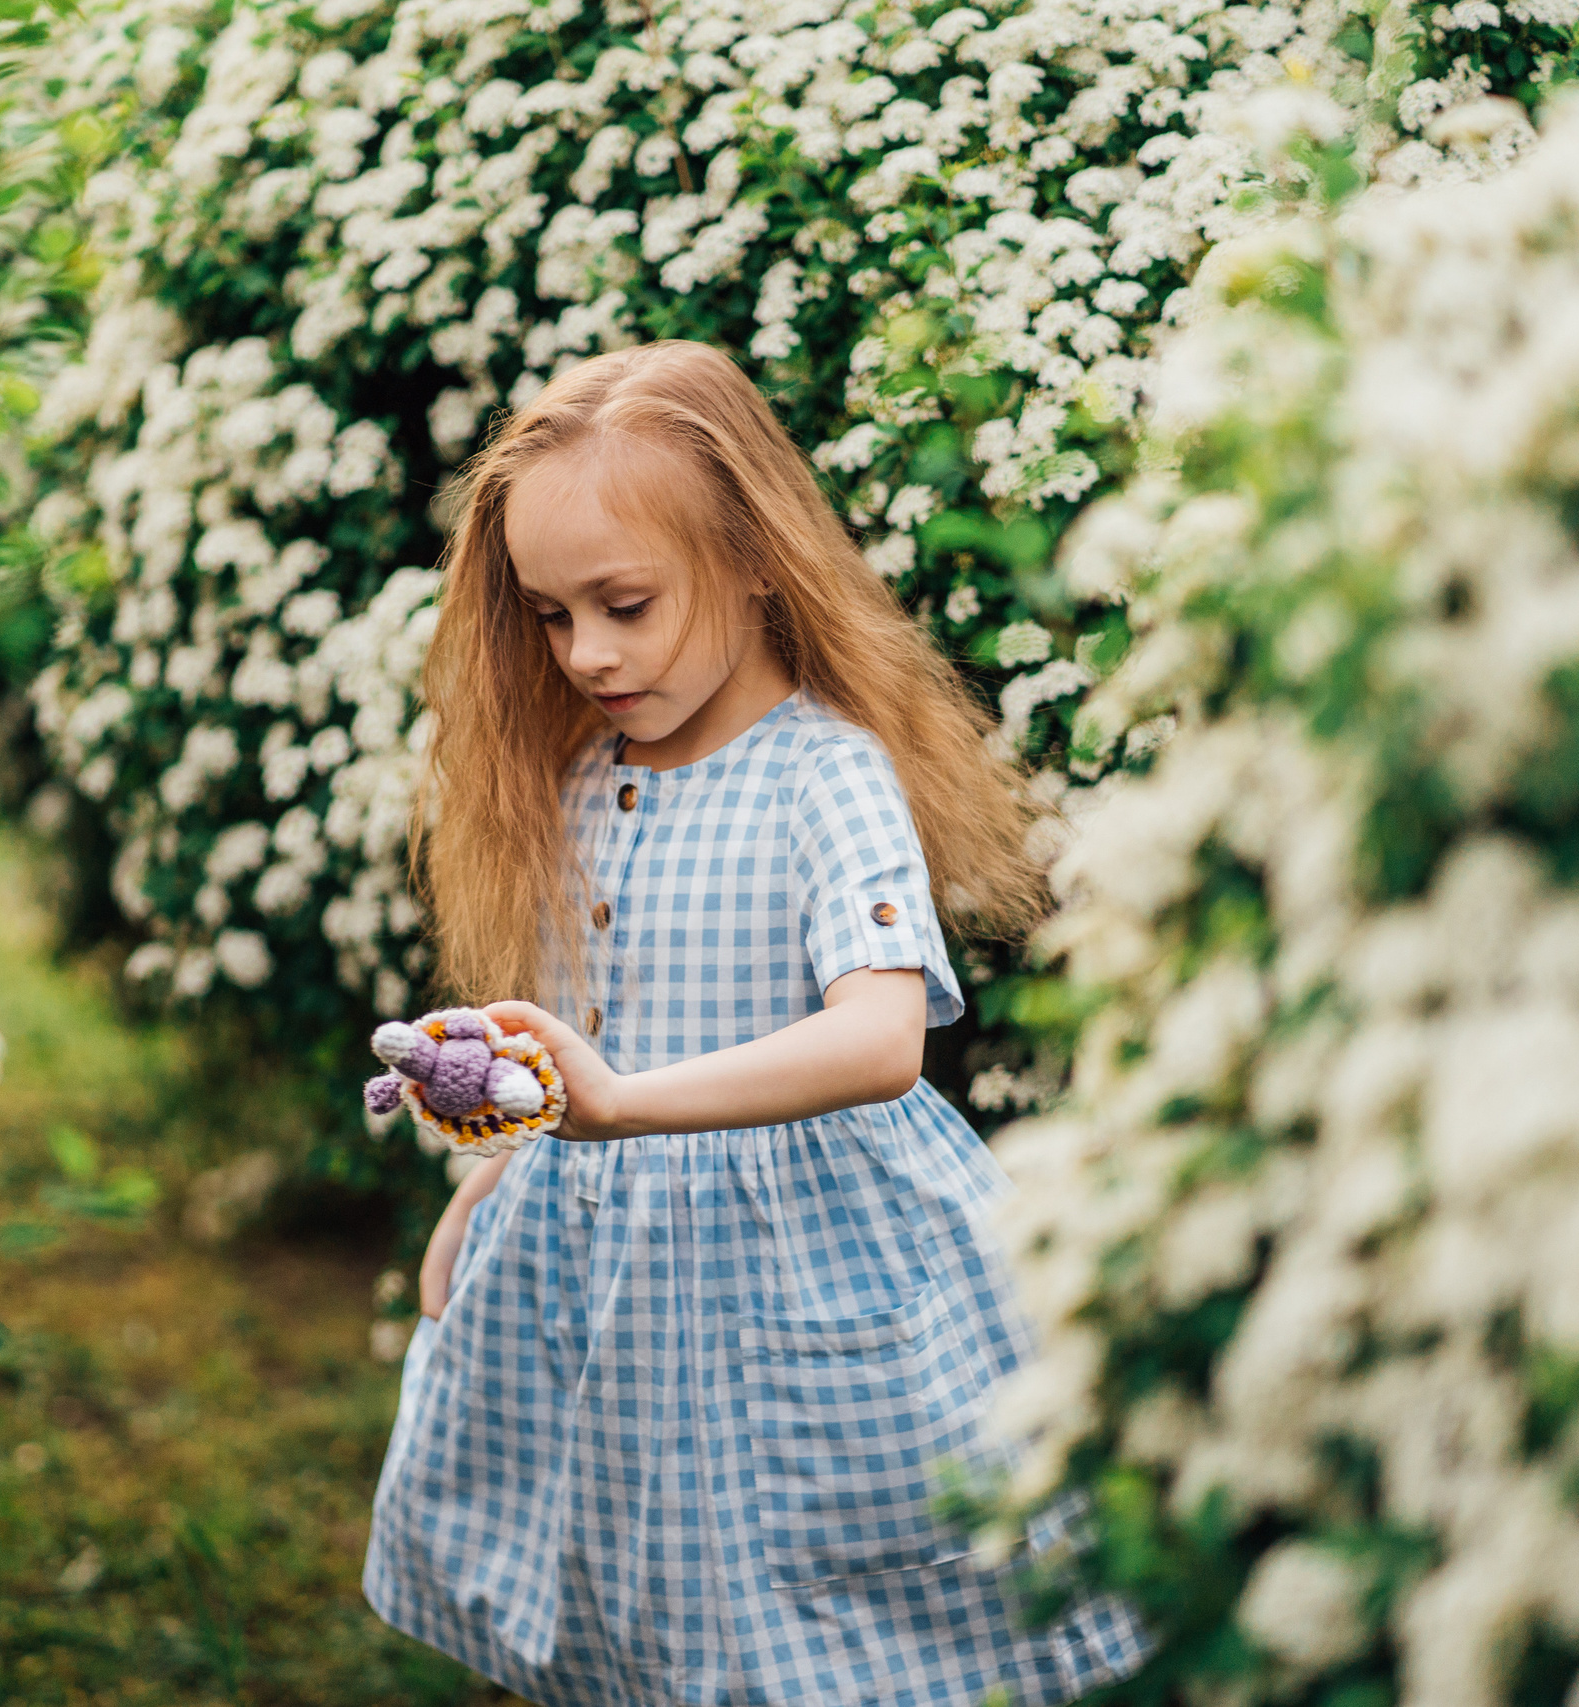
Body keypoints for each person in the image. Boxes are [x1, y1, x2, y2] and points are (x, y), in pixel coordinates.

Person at [362, 341, 1148, 1706]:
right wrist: (499, 1162)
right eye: (552, 617)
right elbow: (585, 1036)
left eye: (625, 604)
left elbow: (879, 1041)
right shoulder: (577, 776)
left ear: (753, 559)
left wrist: (620, 1107)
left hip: (800, 1249)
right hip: (606, 1264)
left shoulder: (821, 776)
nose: (588, 653)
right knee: (628, 1564)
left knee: (810, 1581)